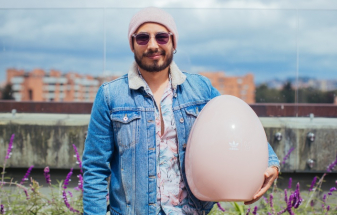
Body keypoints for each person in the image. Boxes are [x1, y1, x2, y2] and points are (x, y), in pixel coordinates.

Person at [82, 7, 280, 215]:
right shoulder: (110, 96)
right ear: (132, 44)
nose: (152, 45)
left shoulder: (200, 89)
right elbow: (95, 168)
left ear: (173, 42)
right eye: (142, 38)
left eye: (161, 37)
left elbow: (238, 122)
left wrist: (270, 162)